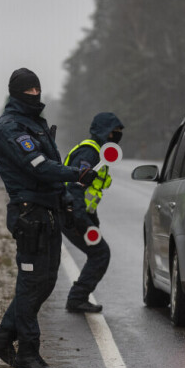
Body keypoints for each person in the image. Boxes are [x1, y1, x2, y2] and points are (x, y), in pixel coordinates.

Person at [0, 68, 96, 368]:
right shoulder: (10, 128)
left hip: (46, 214)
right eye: (29, 91)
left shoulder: (35, 124)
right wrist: (76, 174)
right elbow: (39, 167)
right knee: (31, 284)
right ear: (17, 93)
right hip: (29, 216)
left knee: (44, 282)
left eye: (38, 89)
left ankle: (1, 339)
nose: (36, 95)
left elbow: (50, 169)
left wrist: (68, 200)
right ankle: (27, 352)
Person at [62, 113, 124, 313]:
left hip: (76, 213)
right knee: (100, 253)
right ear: (105, 132)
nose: (117, 137)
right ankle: (76, 298)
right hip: (71, 213)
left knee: (98, 253)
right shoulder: (90, 153)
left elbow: (91, 192)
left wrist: (92, 220)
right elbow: (75, 187)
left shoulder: (98, 153)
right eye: (114, 133)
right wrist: (82, 221)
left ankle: (77, 297)